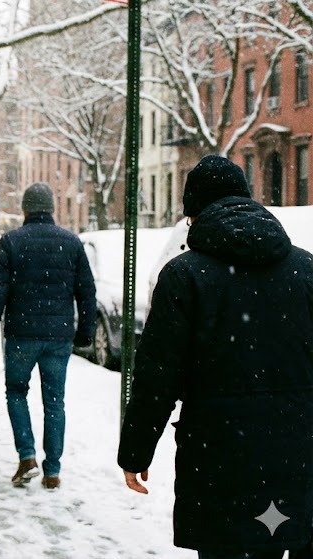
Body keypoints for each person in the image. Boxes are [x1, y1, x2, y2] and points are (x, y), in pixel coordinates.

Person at [118, 155, 313, 559]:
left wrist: (136, 451)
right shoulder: (306, 270)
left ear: (193, 215)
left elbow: (157, 378)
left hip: (221, 461)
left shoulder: (184, 276)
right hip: (298, 458)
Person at [0, 182, 96, 490]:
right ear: (52, 209)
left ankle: (27, 455)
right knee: (55, 402)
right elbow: (86, 291)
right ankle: (53, 469)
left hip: (21, 334)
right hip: (58, 336)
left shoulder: (12, 242)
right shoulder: (71, 243)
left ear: (25, 210)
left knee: (16, 392)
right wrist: (85, 331)